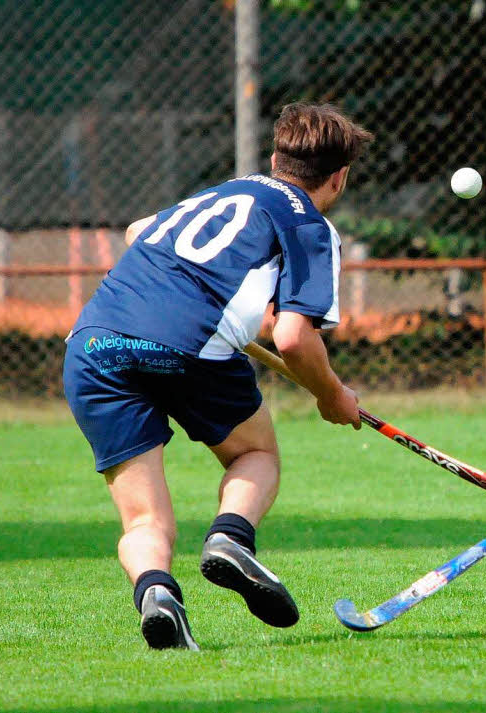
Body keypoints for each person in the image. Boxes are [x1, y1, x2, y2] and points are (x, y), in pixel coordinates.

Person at [63, 103, 372, 650]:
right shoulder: (310, 225)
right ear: (339, 177)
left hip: (94, 345)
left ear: (276, 158)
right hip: (189, 348)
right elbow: (295, 338)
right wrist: (332, 394)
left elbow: (139, 231)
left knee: (143, 522)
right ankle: (232, 538)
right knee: (256, 455)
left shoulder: (223, 191)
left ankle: (157, 592)